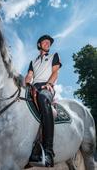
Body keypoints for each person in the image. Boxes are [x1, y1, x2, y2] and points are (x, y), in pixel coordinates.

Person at [25, 35, 62, 167]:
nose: (47, 43)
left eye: (49, 42)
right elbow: (29, 75)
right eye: (45, 42)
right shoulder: (33, 61)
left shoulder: (54, 56)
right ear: (39, 44)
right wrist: (26, 83)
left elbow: (55, 72)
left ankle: (48, 152)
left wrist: (49, 84)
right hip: (33, 88)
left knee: (42, 98)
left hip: (47, 87)